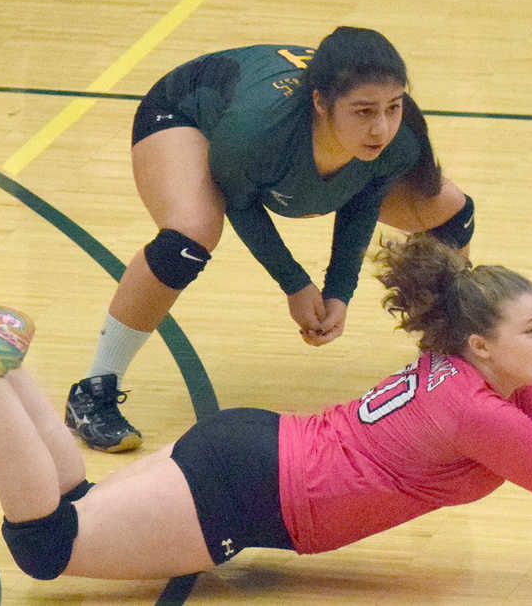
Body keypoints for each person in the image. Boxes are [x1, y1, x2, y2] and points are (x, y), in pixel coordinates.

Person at [0, 235, 532, 583]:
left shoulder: (475, 376)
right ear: (482, 344)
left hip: (252, 450)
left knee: (73, 507)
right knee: (45, 547)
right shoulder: (484, 418)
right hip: (254, 489)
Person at [67, 26, 476, 452]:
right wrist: (296, 285)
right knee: (190, 236)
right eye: (363, 112)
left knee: (450, 212)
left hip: (261, 132)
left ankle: (449, 362)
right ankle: (93, 391)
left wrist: (340, 291)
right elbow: (241, 203)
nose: (381, 127)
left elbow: (365, 199)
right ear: (320, 102)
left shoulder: (399, 136)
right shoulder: (257, 133)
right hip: (186, 114)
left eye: (393, 107)